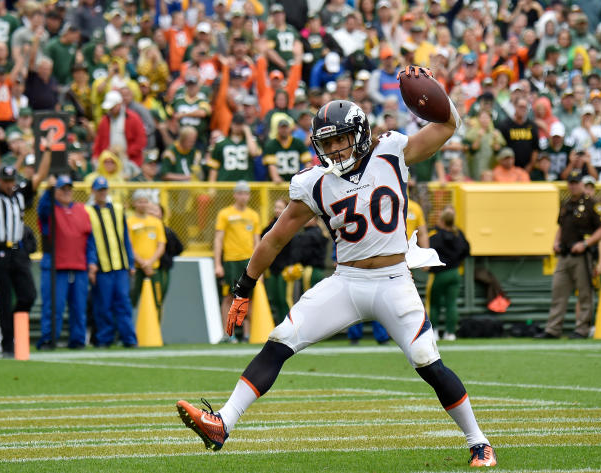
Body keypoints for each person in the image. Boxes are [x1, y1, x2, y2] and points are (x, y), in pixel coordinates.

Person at [177, 74, 497, 468]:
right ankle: (222, 422)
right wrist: (243, 287)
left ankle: (479, 441)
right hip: (346, 281)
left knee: (424, 356)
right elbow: (274, 239)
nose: (332, 148)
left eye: (339, 139)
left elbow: (448, 126)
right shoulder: (315, 183)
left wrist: (439, 97)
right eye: (325, 142)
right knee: (281, 338)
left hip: (395, 280)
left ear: (358, 135)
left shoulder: (392, 151)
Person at [0, 130, 52, 358]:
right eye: (5, 181)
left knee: (28, 295)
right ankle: (6, 345)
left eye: (11, 180)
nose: (9, 185)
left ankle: (14, 330)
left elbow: (40, 176)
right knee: (4, 298)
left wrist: (46, 151)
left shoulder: (19, 194)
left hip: (18, 251)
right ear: (0, 180)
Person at [536, 169, 601, 339]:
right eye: (570, 183)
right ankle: (553, 329)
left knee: (584, 294)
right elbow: (560, 226)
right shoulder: (566, 204)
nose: (573, 186)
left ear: (582, 184)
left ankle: (581, 329)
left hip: (583, 255)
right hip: (564, 255)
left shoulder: (592, 204)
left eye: (576, 183)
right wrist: (555, 242)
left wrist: (586, 243)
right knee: (558, 292)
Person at [37, 175, 95, 350]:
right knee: (54, 306)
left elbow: (89, 239)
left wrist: (92, 262)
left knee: (78, 307)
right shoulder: (50, 210)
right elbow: (43, 209)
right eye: (62, 189)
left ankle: (78, 340)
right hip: (56, 266)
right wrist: (48, 190)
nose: (66, 192)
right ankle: (48, 339)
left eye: (69, 189)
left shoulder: (81, 210)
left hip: (78, 266)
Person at [85, 177, 137, 348]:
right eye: (99, 190)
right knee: (103, 306)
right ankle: (105, 338)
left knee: (123, 303)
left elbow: (125, 238)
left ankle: (128, 338)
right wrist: (92, 263)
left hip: (120, 266)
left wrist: (130, 262)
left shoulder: (118, 209)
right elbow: (89, 241)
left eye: (104, 189)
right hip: (102, 267)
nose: (102, 193)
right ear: (93, 191)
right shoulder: (88, 211)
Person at [213, 180, 261, 342]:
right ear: (235, 195)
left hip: (249, 261)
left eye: (246, 193)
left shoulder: (253, 215)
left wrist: (260, 264)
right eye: (240, 193)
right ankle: (228, 333)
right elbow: (218, 240)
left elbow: (257, 242)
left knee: (249, 297)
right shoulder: (225, 214)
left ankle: (248, 333)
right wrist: (218, 264)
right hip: (231, 260)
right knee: (229, 297)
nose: (243, 196)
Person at [427, 206, 471, 342]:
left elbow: (428, 250)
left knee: (434, 304)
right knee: (451, 304)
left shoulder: (435, 236)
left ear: (442, 220)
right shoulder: (459, 234)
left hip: (439, 274)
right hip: (455, 272)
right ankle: (450, 333)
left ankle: (434, 331)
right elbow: (467, 250)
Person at [128, 189, 166, 317]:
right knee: (131, 301)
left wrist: (150, 262)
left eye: (145, 201)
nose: (143, 204)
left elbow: (161, 244)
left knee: (157, 301)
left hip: (153, 268)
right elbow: (129, 246)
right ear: (134, 203)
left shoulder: (156, 222)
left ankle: (156, 333)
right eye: (140, 201)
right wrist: (143, 263)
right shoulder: (129, 222)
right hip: (136, 268)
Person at [261, 198, 292, 325]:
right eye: (276, 207)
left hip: (285, 269)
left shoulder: (291, 225)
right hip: (272, 269)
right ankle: (279, 325)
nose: (277, 210)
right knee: (274, 299)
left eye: (280, 207)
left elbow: (294, 248)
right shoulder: (268, 228)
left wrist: (291, 264)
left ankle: (289, 325)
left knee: (284, 299)